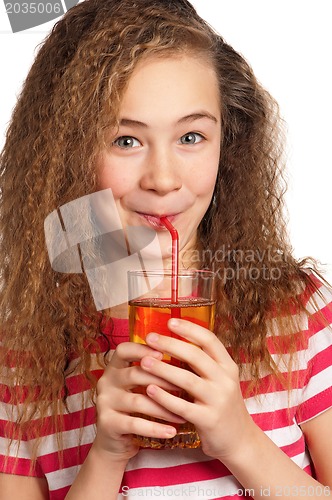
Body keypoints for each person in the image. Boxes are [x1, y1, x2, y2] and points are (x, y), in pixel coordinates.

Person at [0, 0, 331, 498]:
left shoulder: (297, 315)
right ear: (66, 154)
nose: (163, 179)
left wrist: (240, 441)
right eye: (126, 141)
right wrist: (106, 455)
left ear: (229, 143)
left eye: (191, 136)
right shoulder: (25, 357)